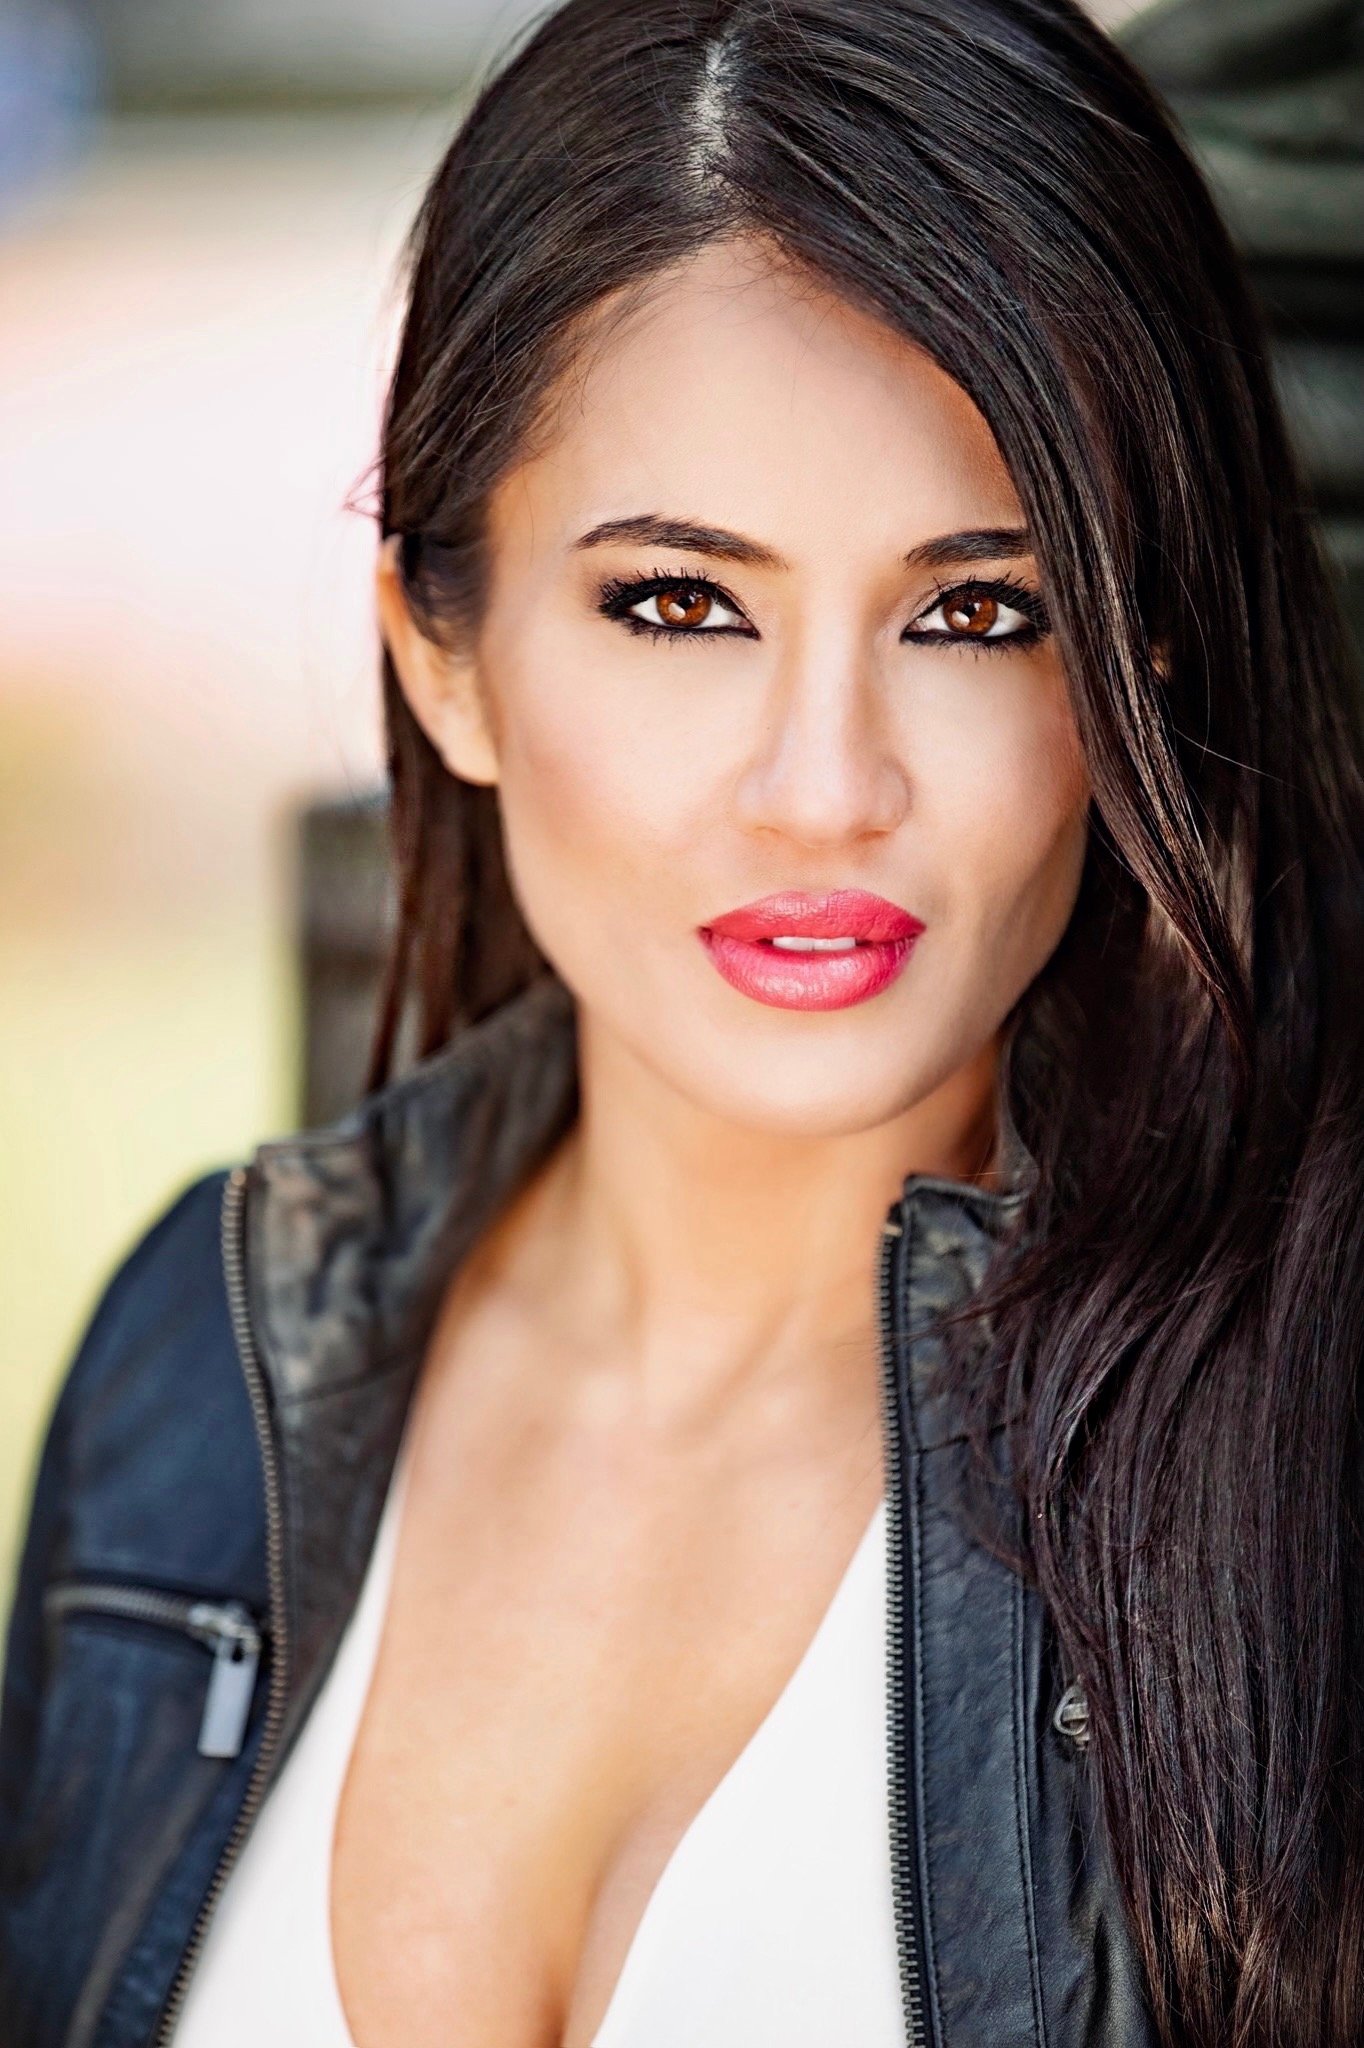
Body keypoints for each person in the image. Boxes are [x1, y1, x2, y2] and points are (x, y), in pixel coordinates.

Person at [3, 0, 1362, 2042]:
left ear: (1134, 672)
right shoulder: (202, 1357)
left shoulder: (1297, 1449)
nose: (823, 788)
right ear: (444, 657)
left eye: (976, 611)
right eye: (678, 602)